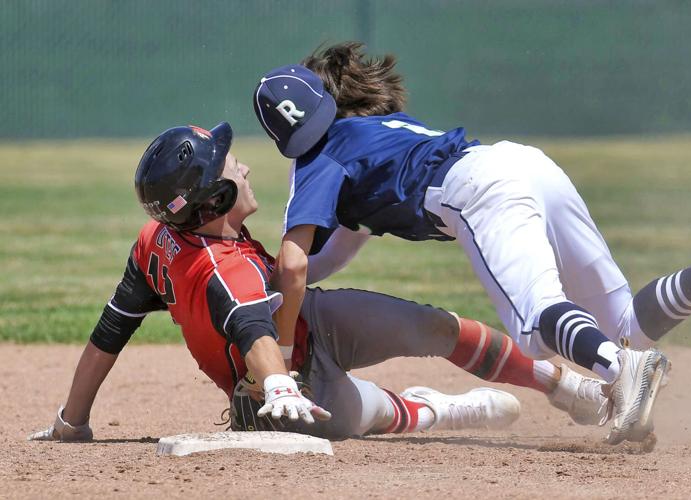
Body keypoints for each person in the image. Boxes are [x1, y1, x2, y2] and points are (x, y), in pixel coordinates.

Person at [252, 43, 691, 441]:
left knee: (535, 327)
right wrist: (278, 284)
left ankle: (619, 371)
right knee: (622, 321)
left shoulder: (316, 160)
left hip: (476, 190)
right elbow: (337, 252)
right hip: (526, 164)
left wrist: (277, 343)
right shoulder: (374, 133)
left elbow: (300, 262)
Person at [27, 122, 622, 443]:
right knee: (381, 417)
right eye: (230, 164)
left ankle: (567, 389)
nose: (245, 165)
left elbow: (110, 332)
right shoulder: (220, 267)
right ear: (216, 197)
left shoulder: (154, 241)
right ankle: (440, 409)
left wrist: (71, 422)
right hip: (289, 390)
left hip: (309, 318)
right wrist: (280, 386)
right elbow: (250, 322)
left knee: (437, 327)